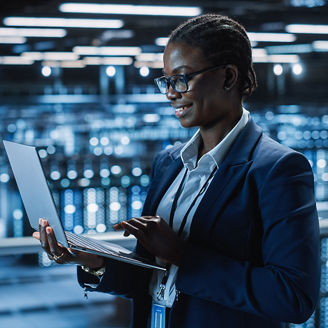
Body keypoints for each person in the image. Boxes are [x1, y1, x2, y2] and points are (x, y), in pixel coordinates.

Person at [33, 14, 320, 328]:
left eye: (182, 78)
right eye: (166, 80)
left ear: (227, 77)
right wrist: (96, 262)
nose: (170, 92)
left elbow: (294, 298)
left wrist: (185, 255)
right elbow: (153, 277)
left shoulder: (278, 169)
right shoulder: (169, 162)